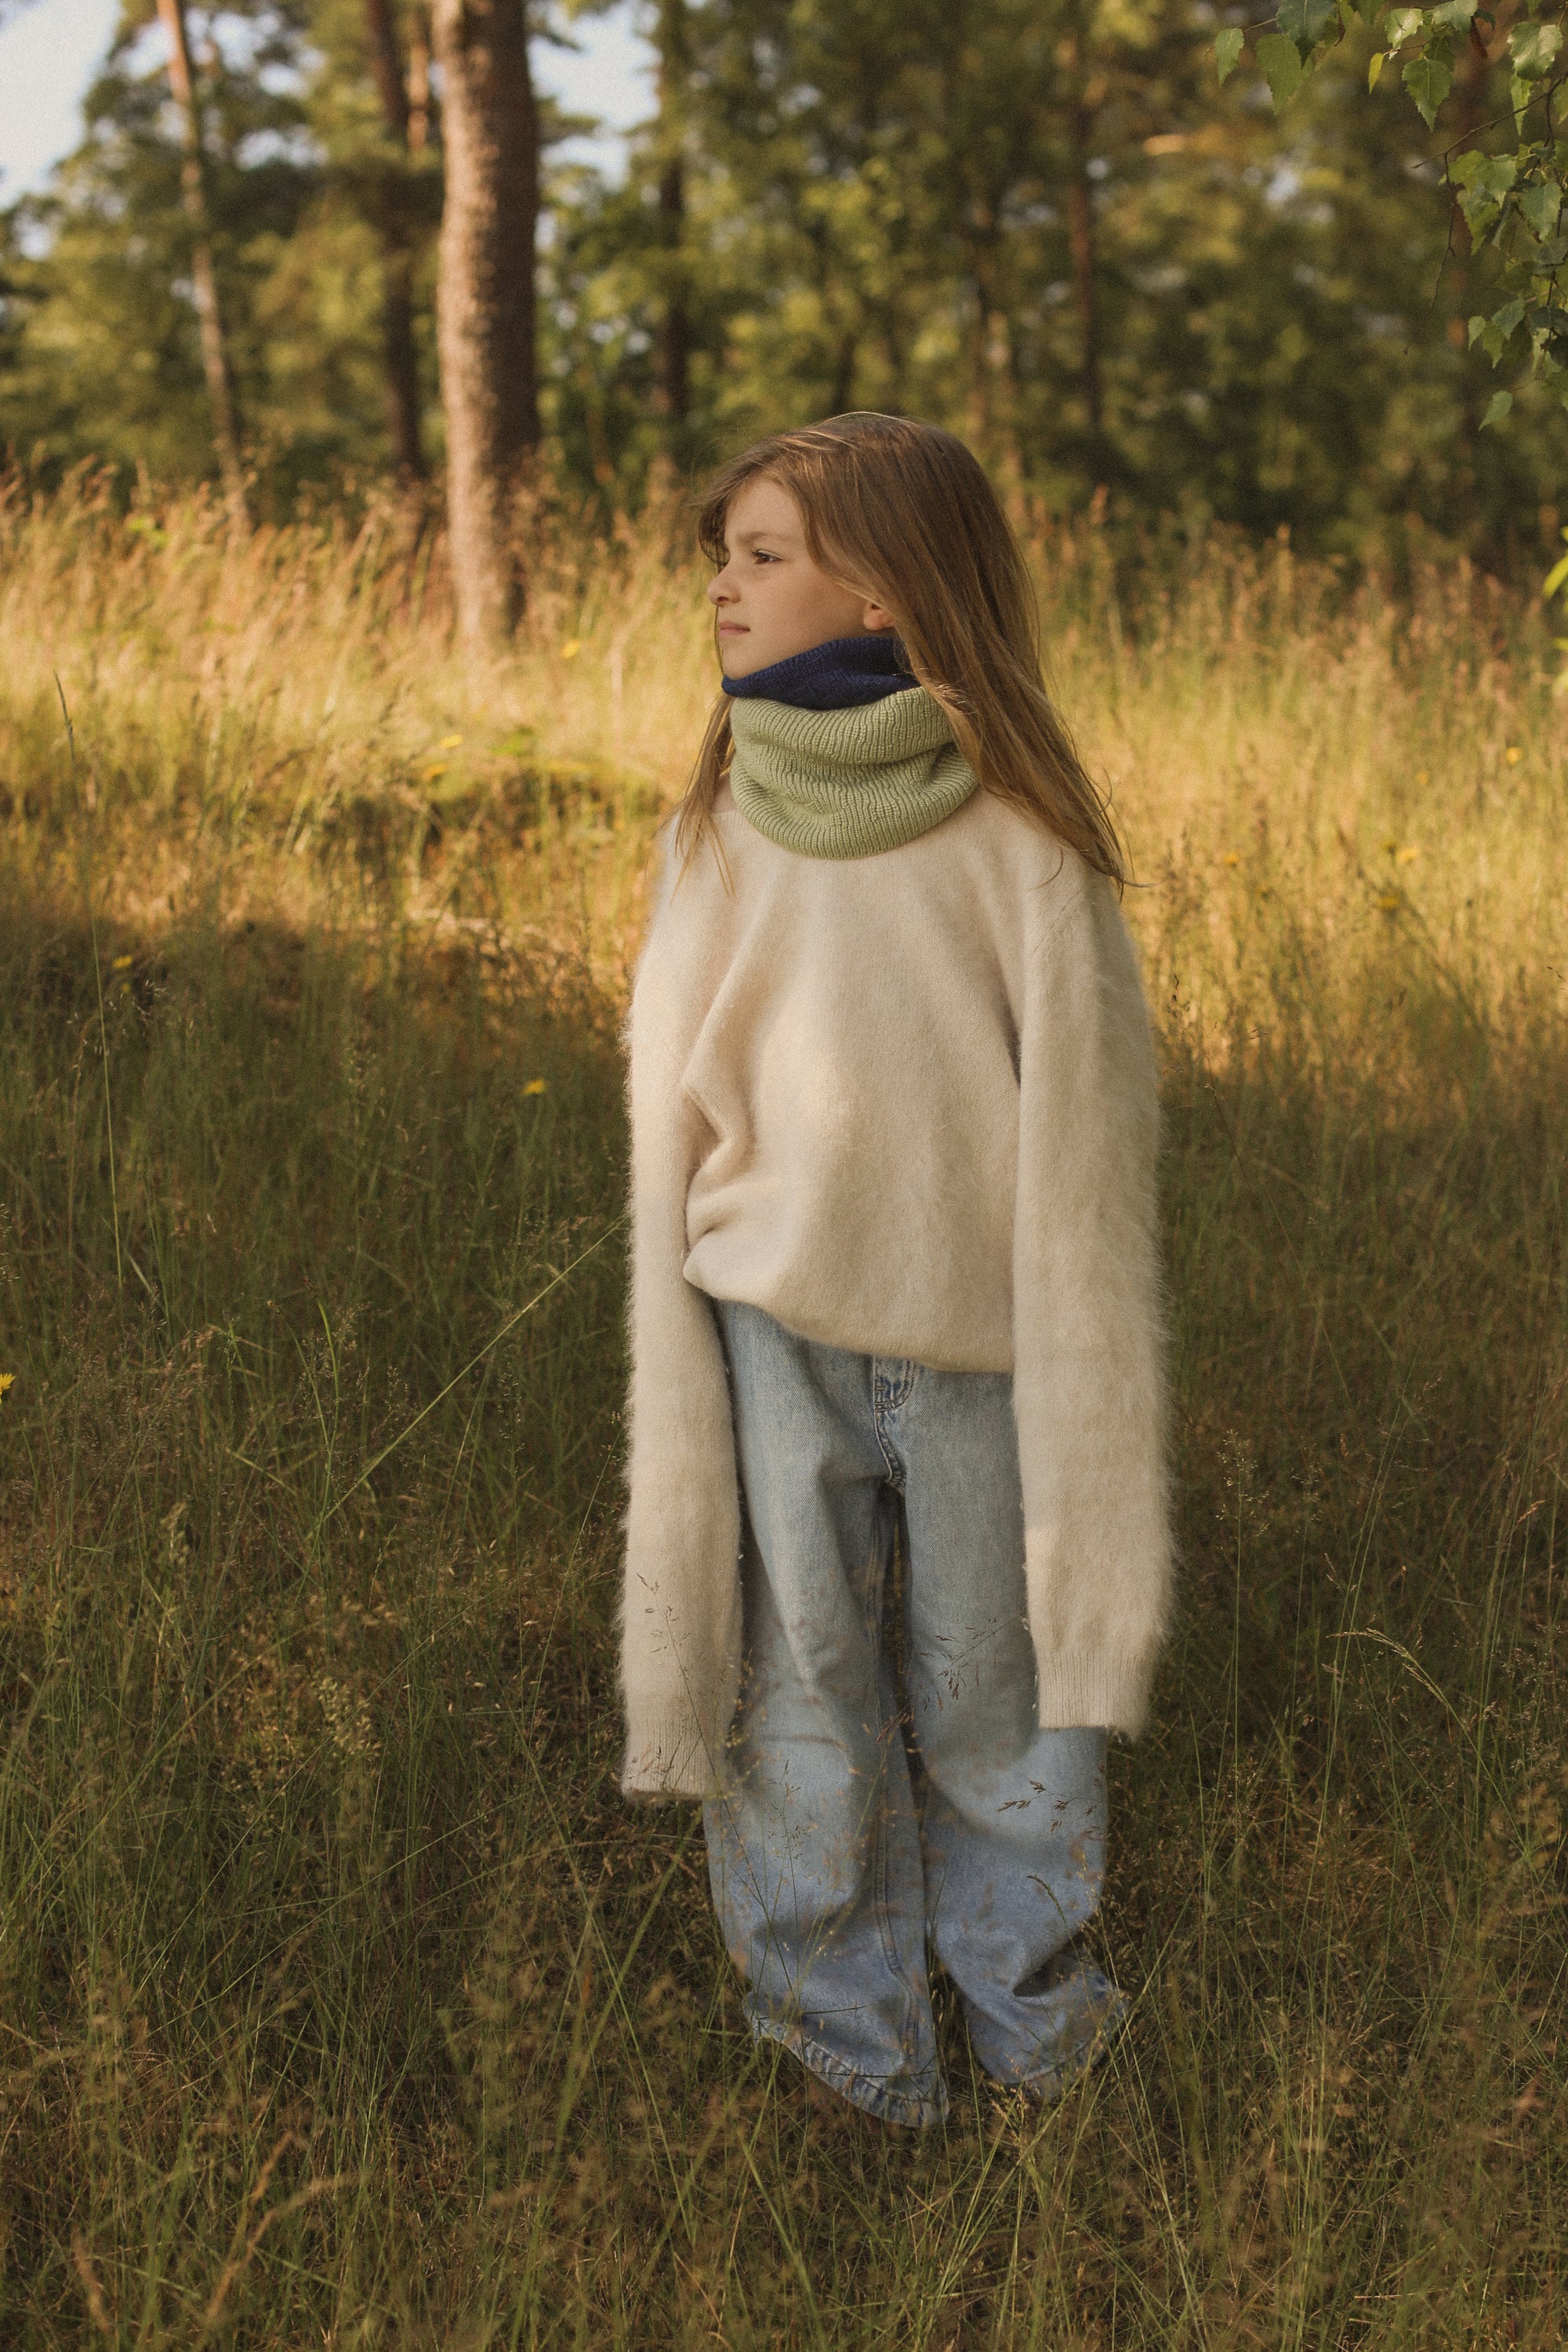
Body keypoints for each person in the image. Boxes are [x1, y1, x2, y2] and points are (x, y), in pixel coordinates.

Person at [619, 412, 1171, 2129]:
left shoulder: (1019, 837)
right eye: (725, 555)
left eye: (763, 555)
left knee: (1002, 1692)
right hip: (771, 1325)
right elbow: (671, 1100)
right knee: (798, 1695)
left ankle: (1038, 2031)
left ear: (884, 584)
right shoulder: (723, 824)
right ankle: (843, 2055)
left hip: (985, 1346)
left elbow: (1088, 1127)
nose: (723, 586)